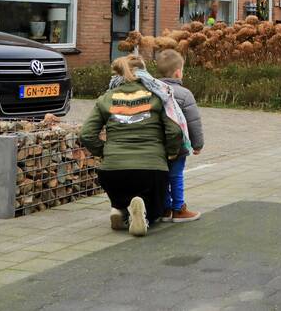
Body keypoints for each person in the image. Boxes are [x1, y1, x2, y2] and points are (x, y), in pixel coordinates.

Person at [81, 54, 188, 236]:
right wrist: (170, 152)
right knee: (156, 210)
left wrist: (104, 152)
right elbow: (174, 131)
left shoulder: (106, 98)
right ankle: (144, 215)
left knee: (121, 190)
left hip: (113, 171)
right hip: (151, 168)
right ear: (143, 72)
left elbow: (86, 134)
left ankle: (120, 208)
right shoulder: (157, 95)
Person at [155, 49, 204, 223]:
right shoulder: (184, 94)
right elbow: (193, 122)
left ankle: (165, 208)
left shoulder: (153, 91)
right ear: (178, 72)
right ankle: (179, 209)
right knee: (176, 175)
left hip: (157, 144)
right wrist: (197, 145)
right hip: (179, 145)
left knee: (161, 176)